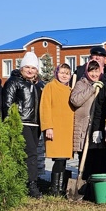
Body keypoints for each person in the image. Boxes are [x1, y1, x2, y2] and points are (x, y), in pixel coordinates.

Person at [2, 51, 45, 197]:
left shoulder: (39, 85)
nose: (30, 70)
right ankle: (31, 186)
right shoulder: (14, 82)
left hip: (35, 124)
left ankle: (25, 183)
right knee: (31, 153)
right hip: (21, 122)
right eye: (27, 67)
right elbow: (7, 104)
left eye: (33, 68)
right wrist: (10, 122)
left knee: (30, 154)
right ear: (21, 68)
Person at [69, 60, 105, 194]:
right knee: (84, 159)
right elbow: (75, 101)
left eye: (97, 70)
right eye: (91, 70)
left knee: (96, 159)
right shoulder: (81, 83)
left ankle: (93, 189)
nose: (94, 74)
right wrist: (91, 89)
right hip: (83, 127)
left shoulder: (103, 85)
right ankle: (82, 188)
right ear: (87, 72)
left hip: (95, 128)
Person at [39, 64, 75, 196]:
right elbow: (45, 107)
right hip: (55, 129)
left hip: (67, 129)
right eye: (62, 72)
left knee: (63, 159)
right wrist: (48, 126)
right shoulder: (50, 87)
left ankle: (61, 188)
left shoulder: (70, 90)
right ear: (56, 73)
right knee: (59, 159)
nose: (64, 75)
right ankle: (55, 189)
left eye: (67, 73)